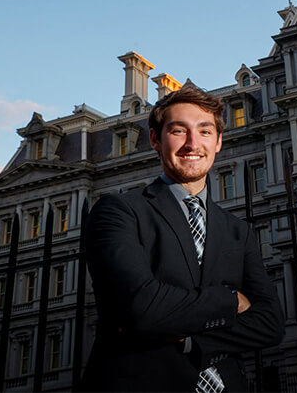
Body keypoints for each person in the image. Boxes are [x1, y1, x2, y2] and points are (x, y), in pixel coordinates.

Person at [82, 85, 284, 392]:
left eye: (204, 131)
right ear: (155, 139)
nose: (192, 144)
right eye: (178, 131)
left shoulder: (236, 230)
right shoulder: (119, 210)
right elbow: (143, 308)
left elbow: (270, 324)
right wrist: (230, 299)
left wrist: (190, 339)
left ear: (218, 142)